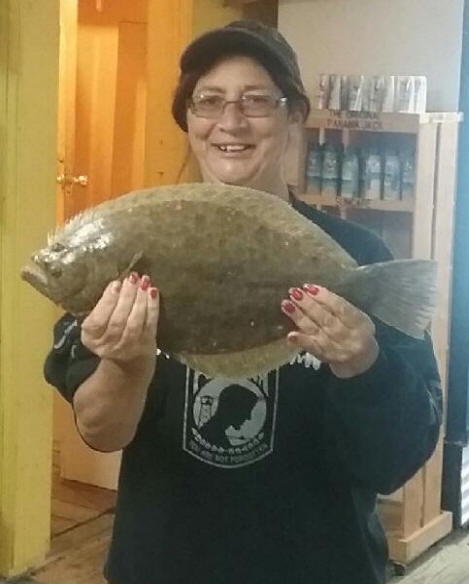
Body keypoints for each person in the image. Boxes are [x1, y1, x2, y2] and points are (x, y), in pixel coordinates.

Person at [44, 20, 442, 584]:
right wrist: (126, 365)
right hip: (164, 567)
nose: (230, 122)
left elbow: (395, 461)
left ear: (293, 115)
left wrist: (364, 364)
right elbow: (102, 432)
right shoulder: (126, 248)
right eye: (208, 101)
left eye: (256, 100)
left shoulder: (360, 260)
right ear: (187, 119)